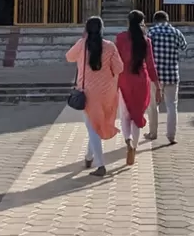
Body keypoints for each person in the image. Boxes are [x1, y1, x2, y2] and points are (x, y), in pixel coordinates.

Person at [67, 16, 123, 177]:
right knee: (95, 126)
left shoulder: (82, 44)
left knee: (92, 128)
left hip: (88, 93)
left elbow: (69, 57)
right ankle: (89, 157)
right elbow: (119, 68)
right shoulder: (110, 46)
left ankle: (100, 165)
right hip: (107, 93)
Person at [114, 10, 159, 166]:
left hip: (124, 79)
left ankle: (128, 140)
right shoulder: (145, 40)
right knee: (137, 116)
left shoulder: (120, 38)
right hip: (141, 80)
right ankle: (134, 146)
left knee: (125, 115)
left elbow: (116, 61)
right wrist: (157, 86)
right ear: (142, 22)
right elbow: (151, 65)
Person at [145, 10, 187, 144]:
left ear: (155, 20)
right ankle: (171, 135)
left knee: (153, 105)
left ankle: (153, 133)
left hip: (155, 76)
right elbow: (184, 47)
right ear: (167, 19)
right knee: (172, 106)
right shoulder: (176, 32)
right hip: (172, 74)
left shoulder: (150, 32)